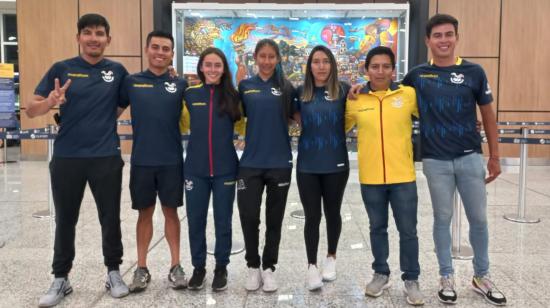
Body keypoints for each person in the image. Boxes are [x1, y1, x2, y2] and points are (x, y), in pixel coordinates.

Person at [402, 14, 506, 306]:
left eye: (449, 34)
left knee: (479, 220)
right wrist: (360, 88)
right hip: (436, 161)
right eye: (437, 35)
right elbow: (389, 90)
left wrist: (495, 156)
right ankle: (446, 276)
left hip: (470, 158)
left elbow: (487, 114)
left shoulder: (474, 72)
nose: (443, 40)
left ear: (456, 38)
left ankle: (481, 276)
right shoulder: (417, 74)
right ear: (427, 41)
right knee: (442, 219)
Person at [27, 14, 129, 307]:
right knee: (65, 220)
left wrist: (98, 125)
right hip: (67, 158)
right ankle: (61, 278)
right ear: (78, 38)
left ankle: (113, 272)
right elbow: (32, 109)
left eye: (99, 33)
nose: (94, 38)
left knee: (110, 219)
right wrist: (50, 102)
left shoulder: (117, 71)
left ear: (108, 39)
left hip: (106, 157)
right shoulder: (62, 68)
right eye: (88, 33)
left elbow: (119, 107)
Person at [345, 46, 424, 306]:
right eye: (375, 66)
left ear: (393, 70)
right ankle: (381, 273)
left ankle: (411, 279)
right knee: (377, 228)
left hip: (403, 176)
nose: (380, 71)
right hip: (371, 178)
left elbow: (434, 116)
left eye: (385, 66)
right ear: (366, 70)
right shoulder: (355, 99)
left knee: (408, 230)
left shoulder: (408, 94)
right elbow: (338, 127)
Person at [118, 30, 188, 293]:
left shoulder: (180, 85)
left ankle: (175, 266)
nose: (160, 52)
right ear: (147, 49)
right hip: (142, 161)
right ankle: (142, 267)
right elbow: (109, 112)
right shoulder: (132, 82)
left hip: (172, 161)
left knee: (171, 212)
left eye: (166, 49)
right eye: (156, 47)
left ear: (171, 54)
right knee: (144, 213)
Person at [180, 47, 242, 292]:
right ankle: (198, 267)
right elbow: (182, 123)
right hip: (195, 168)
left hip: (226, 169)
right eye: (208, 65)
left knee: (223, 221)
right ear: (201, 68)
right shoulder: (189, 95)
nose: (213, 69)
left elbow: (245, 125)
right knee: (195, 220)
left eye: (218, 65)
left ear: (224, 69)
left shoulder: (233, 96)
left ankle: (221, 267)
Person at [237, 38, 296, 292]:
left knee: (274, 219)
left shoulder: (286, 88)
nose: (267, 61)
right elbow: (234, 114)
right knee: (249, 217)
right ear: (255, 58)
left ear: (278, 59)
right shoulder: (245, 86)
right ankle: (252, 265)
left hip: (279, 163)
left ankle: (269, 267)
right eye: (263, 56)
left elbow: (299, 116)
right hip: (250, 163)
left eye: (272, 56)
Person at [293, 45, 350, 291]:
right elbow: (289, 116)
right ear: (310, 66)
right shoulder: (299, 93)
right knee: (312, 216)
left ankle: (331, 257)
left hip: (336, 163)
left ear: (332, 65)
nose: (321, 66)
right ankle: (312, 266)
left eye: (326, 61)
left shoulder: (345, 90)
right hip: (307, 164)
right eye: (316, 61)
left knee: (333, 213)